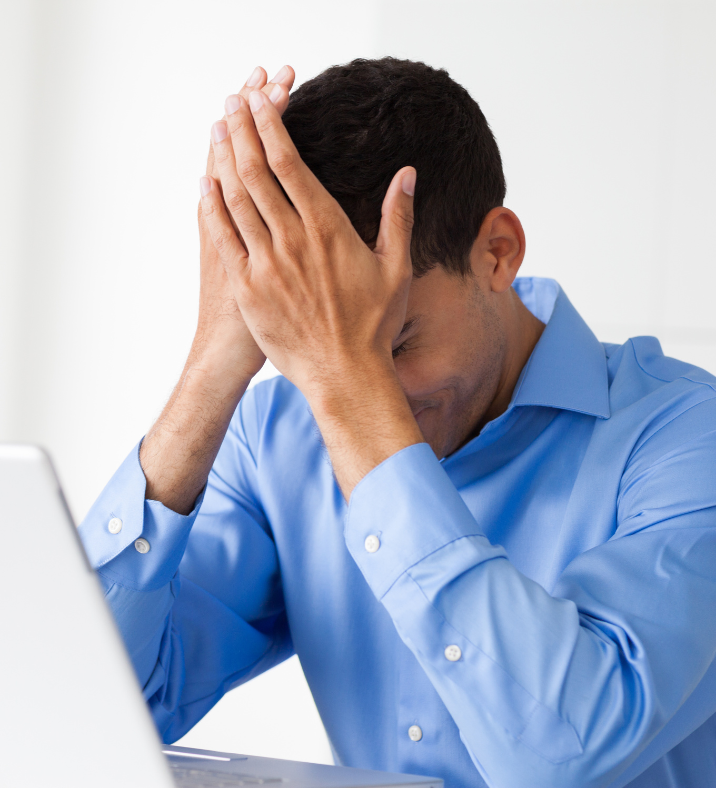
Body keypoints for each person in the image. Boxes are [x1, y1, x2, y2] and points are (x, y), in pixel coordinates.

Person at [78, 58, 716, 788]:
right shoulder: (276, 437)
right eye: (315, 341)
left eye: (396, 340)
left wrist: (356, 399)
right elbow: (89, 711)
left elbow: (558, 755)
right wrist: (216, 362)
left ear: (496, 253)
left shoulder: (689, 440)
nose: (350, 382)